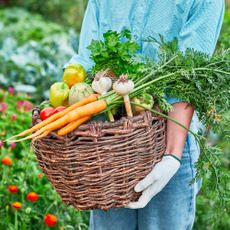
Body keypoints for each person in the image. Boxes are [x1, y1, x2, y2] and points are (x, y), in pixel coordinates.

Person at [65, 1, 224, 229]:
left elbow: (190, 75)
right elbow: (88, 59)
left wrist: (172, 156)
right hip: (110, 139)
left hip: (171, 129)